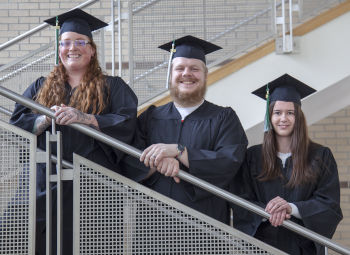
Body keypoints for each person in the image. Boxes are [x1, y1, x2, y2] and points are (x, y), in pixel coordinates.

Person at [9, 9, 138, 255]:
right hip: (44, 183)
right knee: (28, 239)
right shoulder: (40, 87)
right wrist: (44, 118)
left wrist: (86, 118)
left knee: (90, 244)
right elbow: (17, 125)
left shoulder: (113, 87)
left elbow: (127, 123)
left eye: (80, 42)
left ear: (91, 50)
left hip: (94, 188)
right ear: (59, 49)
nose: (72, 48)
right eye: (65, 42)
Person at [130, 35, 248, 224]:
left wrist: (180, 151)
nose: (187, 73)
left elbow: (229, 162)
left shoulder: (224, 118)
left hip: (205, 225)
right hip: (152, 224)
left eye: (194, 68)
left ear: (205, 75)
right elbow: (129, 158)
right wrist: (161, 159)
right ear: (170, 75)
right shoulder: (150, 117)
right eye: (180, 68)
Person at [232, 74, 343, 254]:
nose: (283, 118)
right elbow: (241, 200)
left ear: (298, 117)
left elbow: (329, 204)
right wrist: (270, 210)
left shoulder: (320, 156)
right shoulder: (252, 156)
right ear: (270, 116)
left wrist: (292, 208)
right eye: (277, 112)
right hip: (262, 247)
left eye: (290, 113)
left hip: (303, 248)